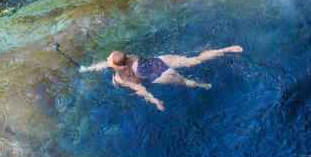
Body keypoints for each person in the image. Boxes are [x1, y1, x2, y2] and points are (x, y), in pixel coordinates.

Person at [81, 45, 244, 111]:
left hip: (161, 75)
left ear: (118, 67)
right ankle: (225, 49)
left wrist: (155, 101)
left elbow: (140, 89)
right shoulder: (130, 57)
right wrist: (87, 68)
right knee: (194, 60)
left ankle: (204, 86)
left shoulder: (124, 76)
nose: (107, 63)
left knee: (187, 82)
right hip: (159, 60)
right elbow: (108, 63)